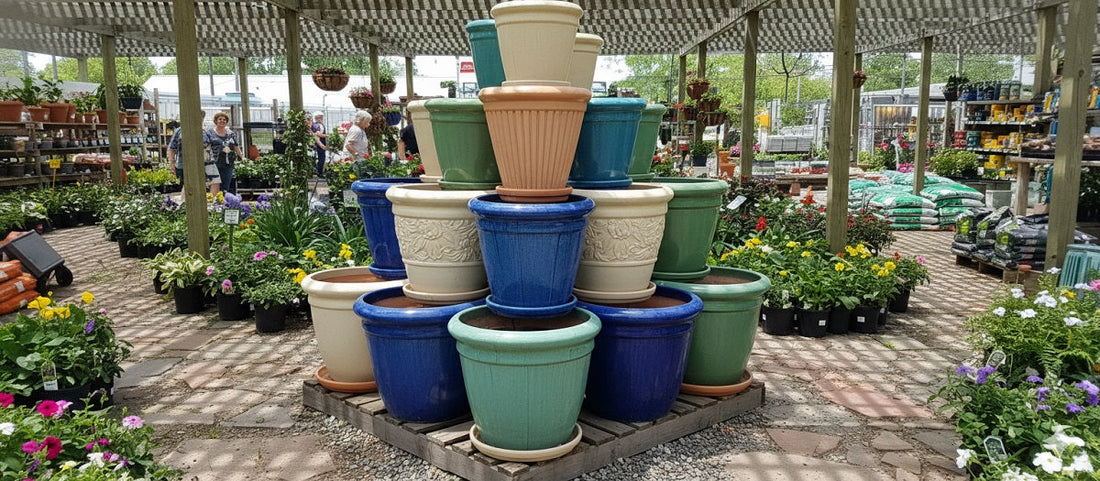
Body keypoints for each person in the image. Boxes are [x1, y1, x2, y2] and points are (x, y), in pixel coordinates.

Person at [203, 112, 245, 195]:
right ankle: (214, 200)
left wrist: (242, 156)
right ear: (216, 121)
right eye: (220, 119)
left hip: (228, 163)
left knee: (225, 186)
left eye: (224, 120)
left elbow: (236, 146)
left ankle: (223, 200)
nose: (222, 121)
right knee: (214, 184)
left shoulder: (230, 133)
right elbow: (205, 146)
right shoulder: (209, 133)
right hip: (214, 163)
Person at [167, 110, 206, 195]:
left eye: (201, 117)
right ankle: (185, 201)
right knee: (187, 187)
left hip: (199, 165)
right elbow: (172, 148)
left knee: (196, 188)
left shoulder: (203, 132)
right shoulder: (180, 131)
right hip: (182, 165)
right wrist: (172, 163)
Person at [312, 111, 329, 176]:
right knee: (321, 158)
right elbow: (318, 134)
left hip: (321, 143)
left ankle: (319, 171)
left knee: (321, 157)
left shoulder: (318, 124)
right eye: (322, 117)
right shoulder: (317, 125)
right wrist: (327, 136)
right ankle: (319, 172)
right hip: (319, 143)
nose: (322, 119)